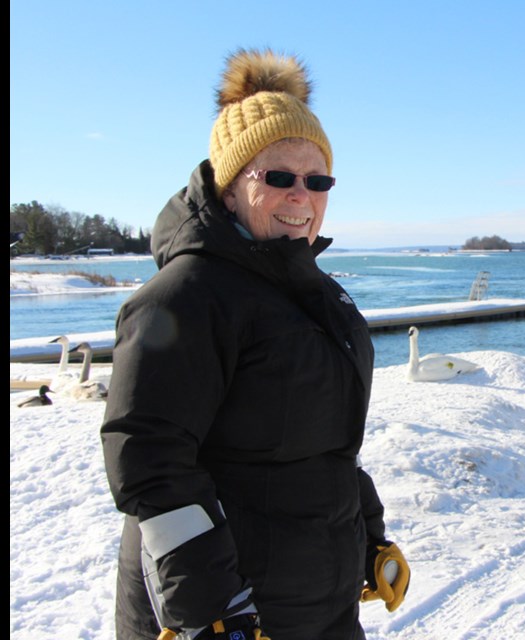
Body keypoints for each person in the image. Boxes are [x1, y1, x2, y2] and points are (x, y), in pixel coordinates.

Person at [100, 48, 410, 640]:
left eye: (317, 180)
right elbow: (150, 462)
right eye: (278, 177)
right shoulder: (186, 296)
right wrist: (213, 612)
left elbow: (327, 445)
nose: (302, 195)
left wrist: (370, 535)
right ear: (230, 188)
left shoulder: (313, 292)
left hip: (320, 601)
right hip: (236, 612)